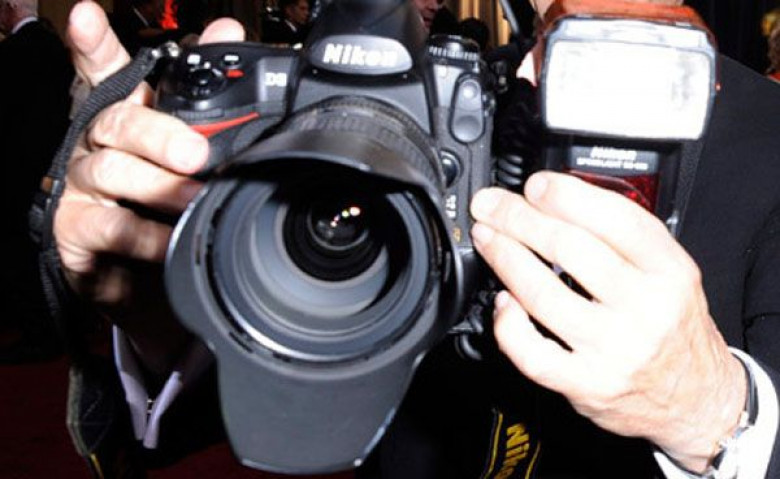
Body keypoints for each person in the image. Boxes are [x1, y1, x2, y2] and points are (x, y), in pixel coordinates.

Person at [43, 0, 780, 477]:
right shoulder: (450, 90)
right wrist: (147, 297)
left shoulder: (771, 139)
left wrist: (714, 413)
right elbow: (251, 395)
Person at [0, 0, 72, 362]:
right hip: (51, 163)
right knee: (46, 246)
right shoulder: (54, 46)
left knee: (18, 251)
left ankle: (37, 333)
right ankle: (55, 325)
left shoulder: (12, 52)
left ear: (10, 7)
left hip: (14, 167)